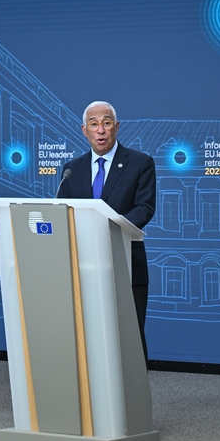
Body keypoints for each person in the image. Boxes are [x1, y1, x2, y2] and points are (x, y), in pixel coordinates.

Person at [57, 101, 157, 363]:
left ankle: (133, 400)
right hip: (84, 266)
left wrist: (108, 227)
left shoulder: (140, 163)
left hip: (126, 263)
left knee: (130, 336)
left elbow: (144, 208)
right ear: (84, 130)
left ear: (116, 127)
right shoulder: (71, 169)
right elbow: (63, 213)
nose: (100, 130)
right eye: (93, 124)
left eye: (106, 123)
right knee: (87, 336)